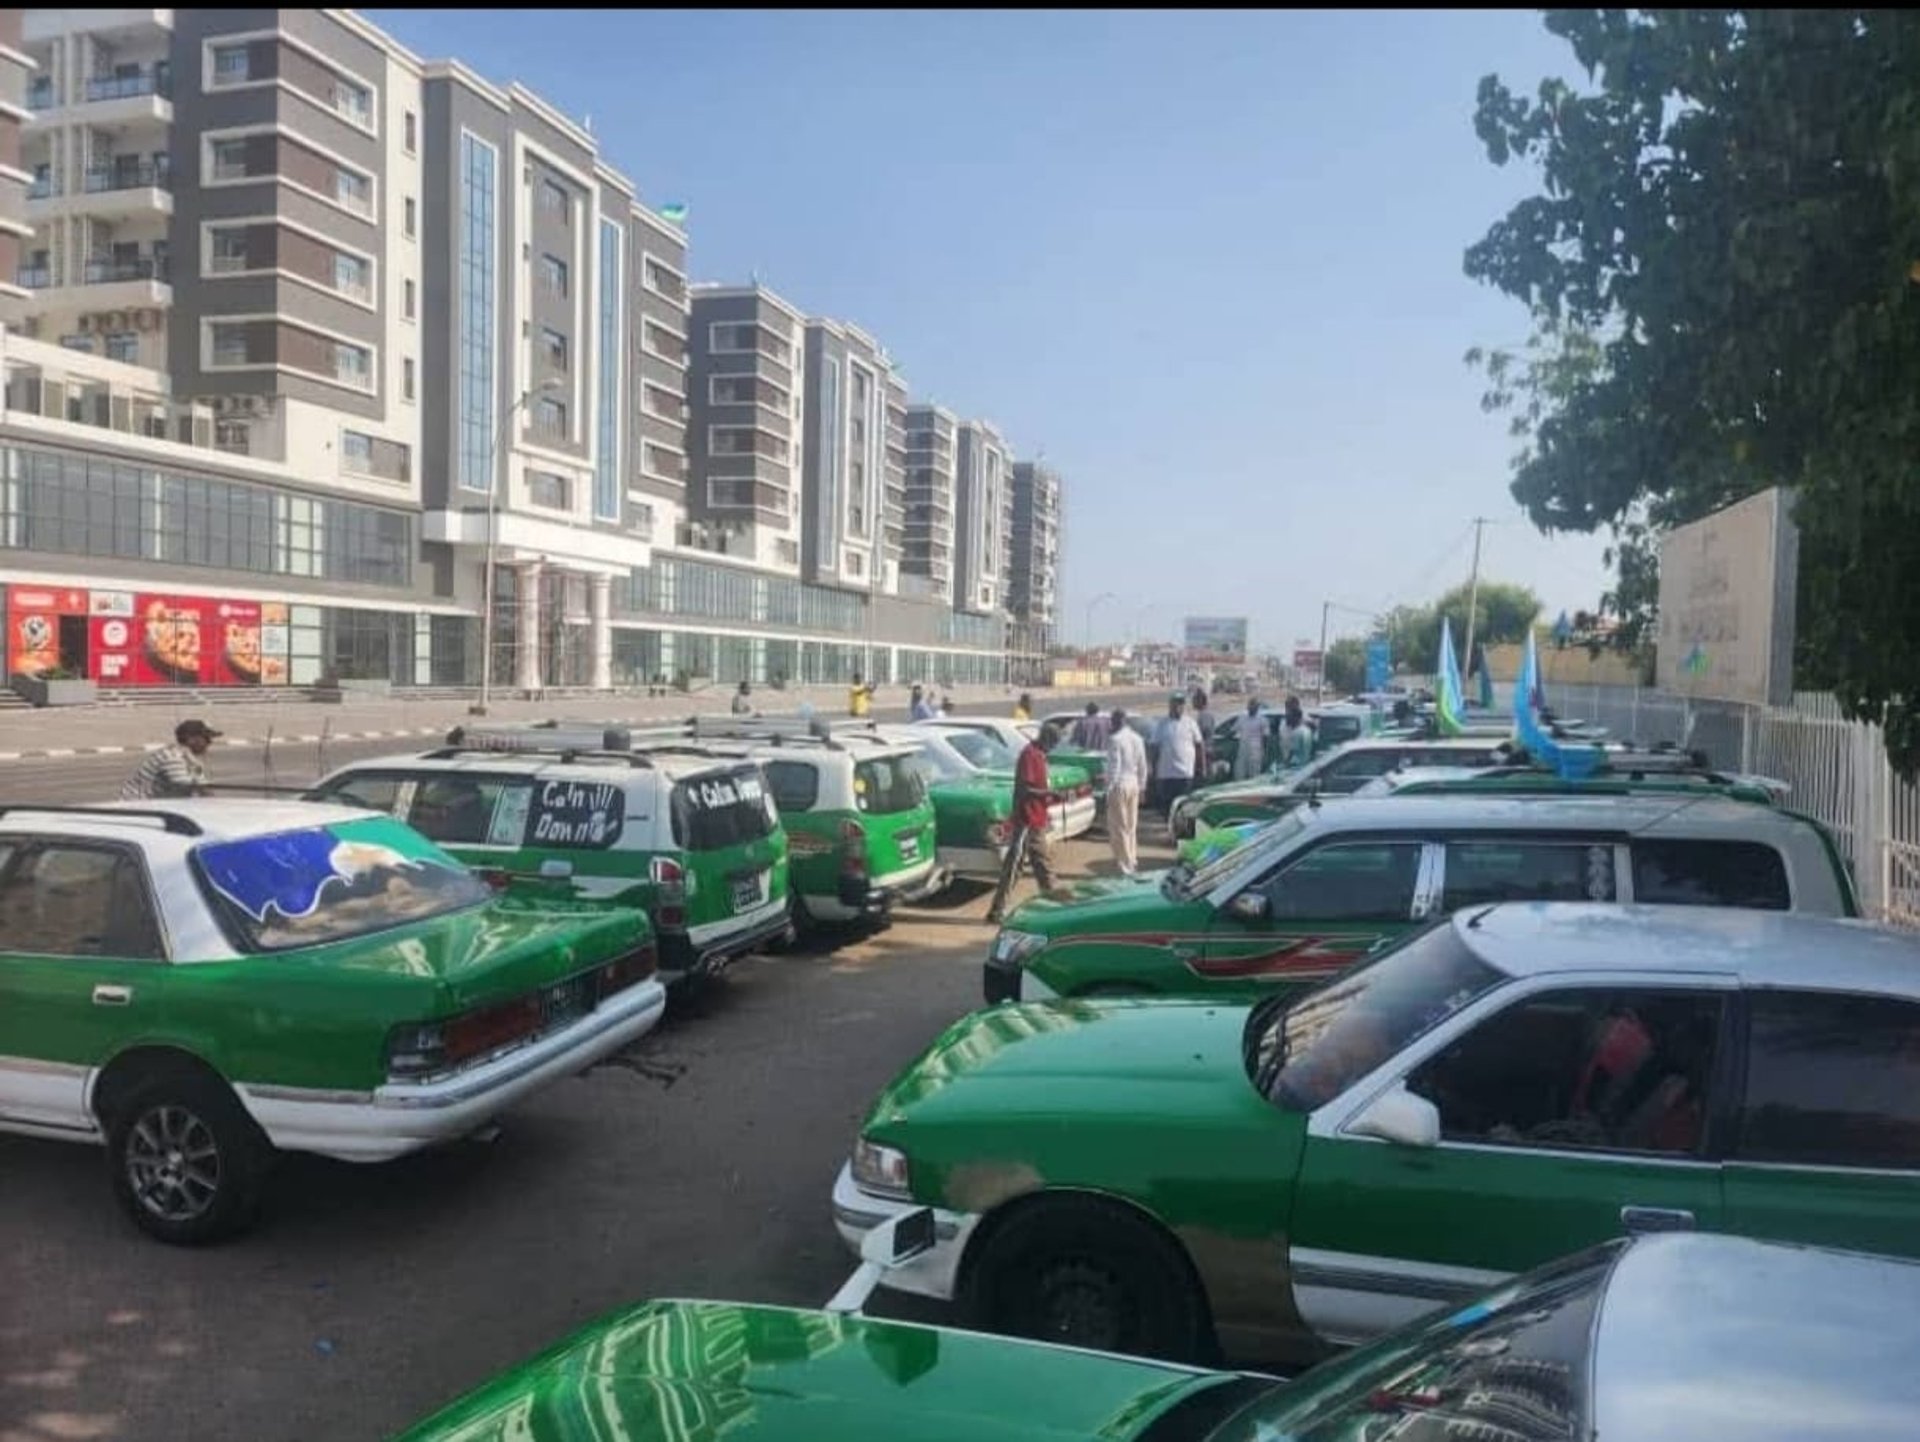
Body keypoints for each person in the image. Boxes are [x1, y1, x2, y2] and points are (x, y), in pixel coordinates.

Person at [986, 722, 1064, 923]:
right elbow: (1024, 789)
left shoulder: (1039, 755)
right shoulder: (1029, 754)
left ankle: (1053, 903)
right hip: (1026, 819)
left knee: (1042, 863)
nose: (1054, 746)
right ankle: (997, 910)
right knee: (1014, 865)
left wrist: (1050, 797)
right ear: (1046, 738)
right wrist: (1048, 793)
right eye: (1053, 742)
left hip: (1037, 818)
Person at [121, 719, 220, 800]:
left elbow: (202, 786)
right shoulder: (173, 757)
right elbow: (185, 788)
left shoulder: (191, 760)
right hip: (138, 805)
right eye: (206, 738)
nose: (210, 742)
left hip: (158, 804)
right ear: (190, 739)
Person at [1103, 707, 1149, 877]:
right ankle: (1132, 859)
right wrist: (1143, 786)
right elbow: (1143, 765)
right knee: (1131, 826)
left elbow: (1114, 768)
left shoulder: (1115, 740)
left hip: (1120, 785)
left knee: (1119, 827)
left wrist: (1108, 790)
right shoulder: (1137, 738)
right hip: (1133, 784)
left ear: (1116, 721)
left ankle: (1125, 864)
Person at [1149, 694, 1204, 813]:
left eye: (1181, 704)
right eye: (1176, 704)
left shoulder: (1191, 723)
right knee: (1167, 808)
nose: (1179, 707)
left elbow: (1199, 746)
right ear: (1170, 705)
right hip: (1166, 774)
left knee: (1185, 807)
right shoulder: (1161, 724)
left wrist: (1201, 768)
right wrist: (1153, 770)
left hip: (1185, 774)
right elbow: (1154, 747)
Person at [1231, 695, 1268, 780]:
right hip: (1243, 750)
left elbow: (1265, 737)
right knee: (1240, 773)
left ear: (1257, 708)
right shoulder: (1242, 718)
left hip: (1256, 751)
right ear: (1247, 706)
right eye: (1250, 705)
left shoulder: (1262, 720)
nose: (1251, 707)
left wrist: (1264, 751)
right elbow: (1232, 731)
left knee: (1254, 775)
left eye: (1254, 705)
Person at [1278, 696, 1314, 768]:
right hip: (1286, 753)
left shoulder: (1304, 720)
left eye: (1290, 706)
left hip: (1297, 760)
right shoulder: (1283, 721)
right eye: (1286, 706)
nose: (1287, 709)